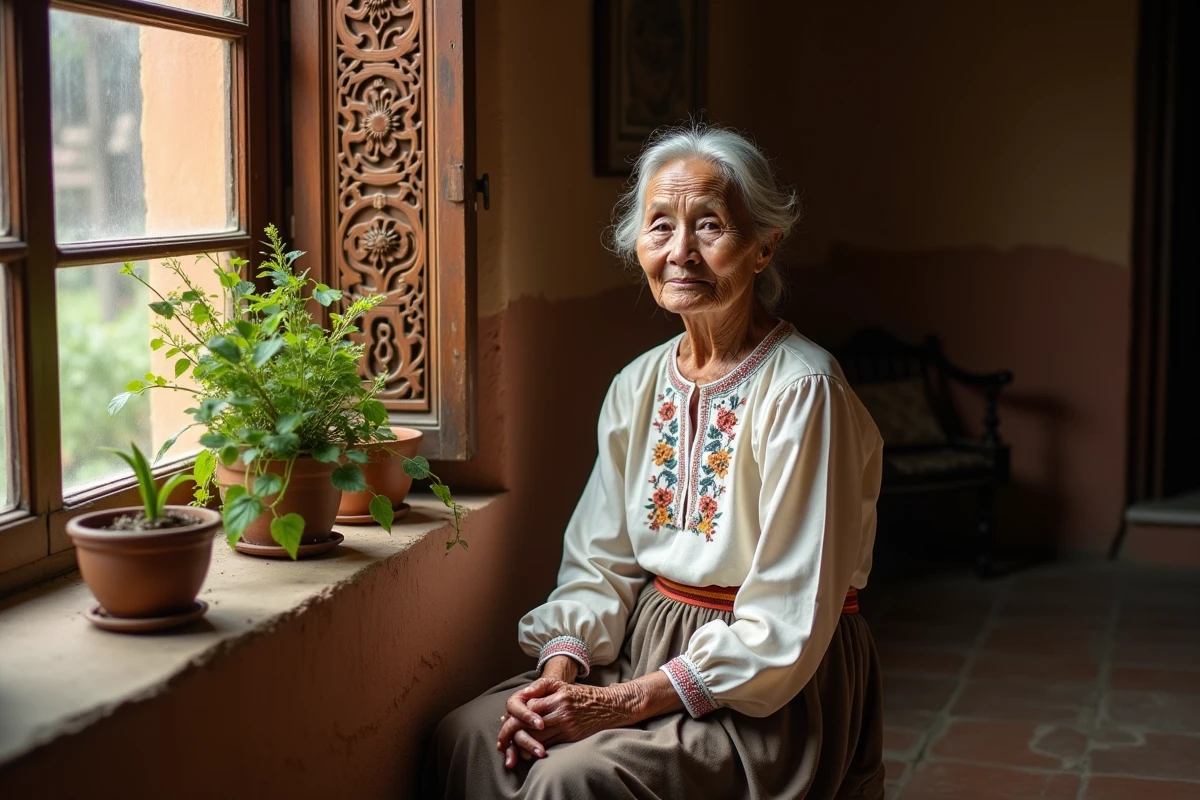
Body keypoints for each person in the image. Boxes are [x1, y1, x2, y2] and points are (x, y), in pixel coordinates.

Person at [425, 123, 886, 799]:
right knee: (467, 735)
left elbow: (789, 618)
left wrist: (614, 708)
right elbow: (599, 561)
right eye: (660, 226)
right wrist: (557, 683)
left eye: (709, 226)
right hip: (644, 646)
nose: (680, 252)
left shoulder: (803, 391)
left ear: (763, 246)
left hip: (769, 684)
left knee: (568, 781)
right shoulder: (639, 384)